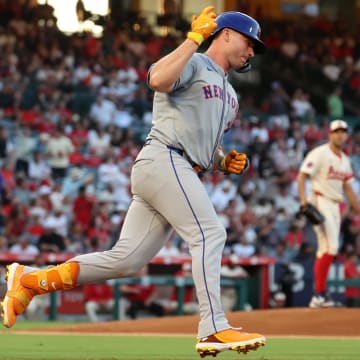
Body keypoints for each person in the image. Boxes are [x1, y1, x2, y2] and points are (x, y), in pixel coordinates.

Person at [1, 7, 266, 357]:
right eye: (249, 42)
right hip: (165, 158)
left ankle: (32, 281)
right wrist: (193, 38)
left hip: (177, 167)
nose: (251, 52)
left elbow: (203, 144)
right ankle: (213, 327)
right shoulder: (196, 62)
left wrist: (222, 161)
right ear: (227, 34)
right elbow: (157, 80)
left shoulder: (231, 96)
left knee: (126, 260)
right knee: (210, 233)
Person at [297, 119, 360, 308]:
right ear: (330, 134)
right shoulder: (320, 153)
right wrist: (303, 202)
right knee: (332, 247)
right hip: (319, 200)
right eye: (337, 131)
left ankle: (320, 295)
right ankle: (319, 293)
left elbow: (348, 190)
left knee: (325, 249)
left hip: (335, 205)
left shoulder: (345, 160)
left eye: (343, 131)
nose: (340, 134)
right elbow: (302, 176)